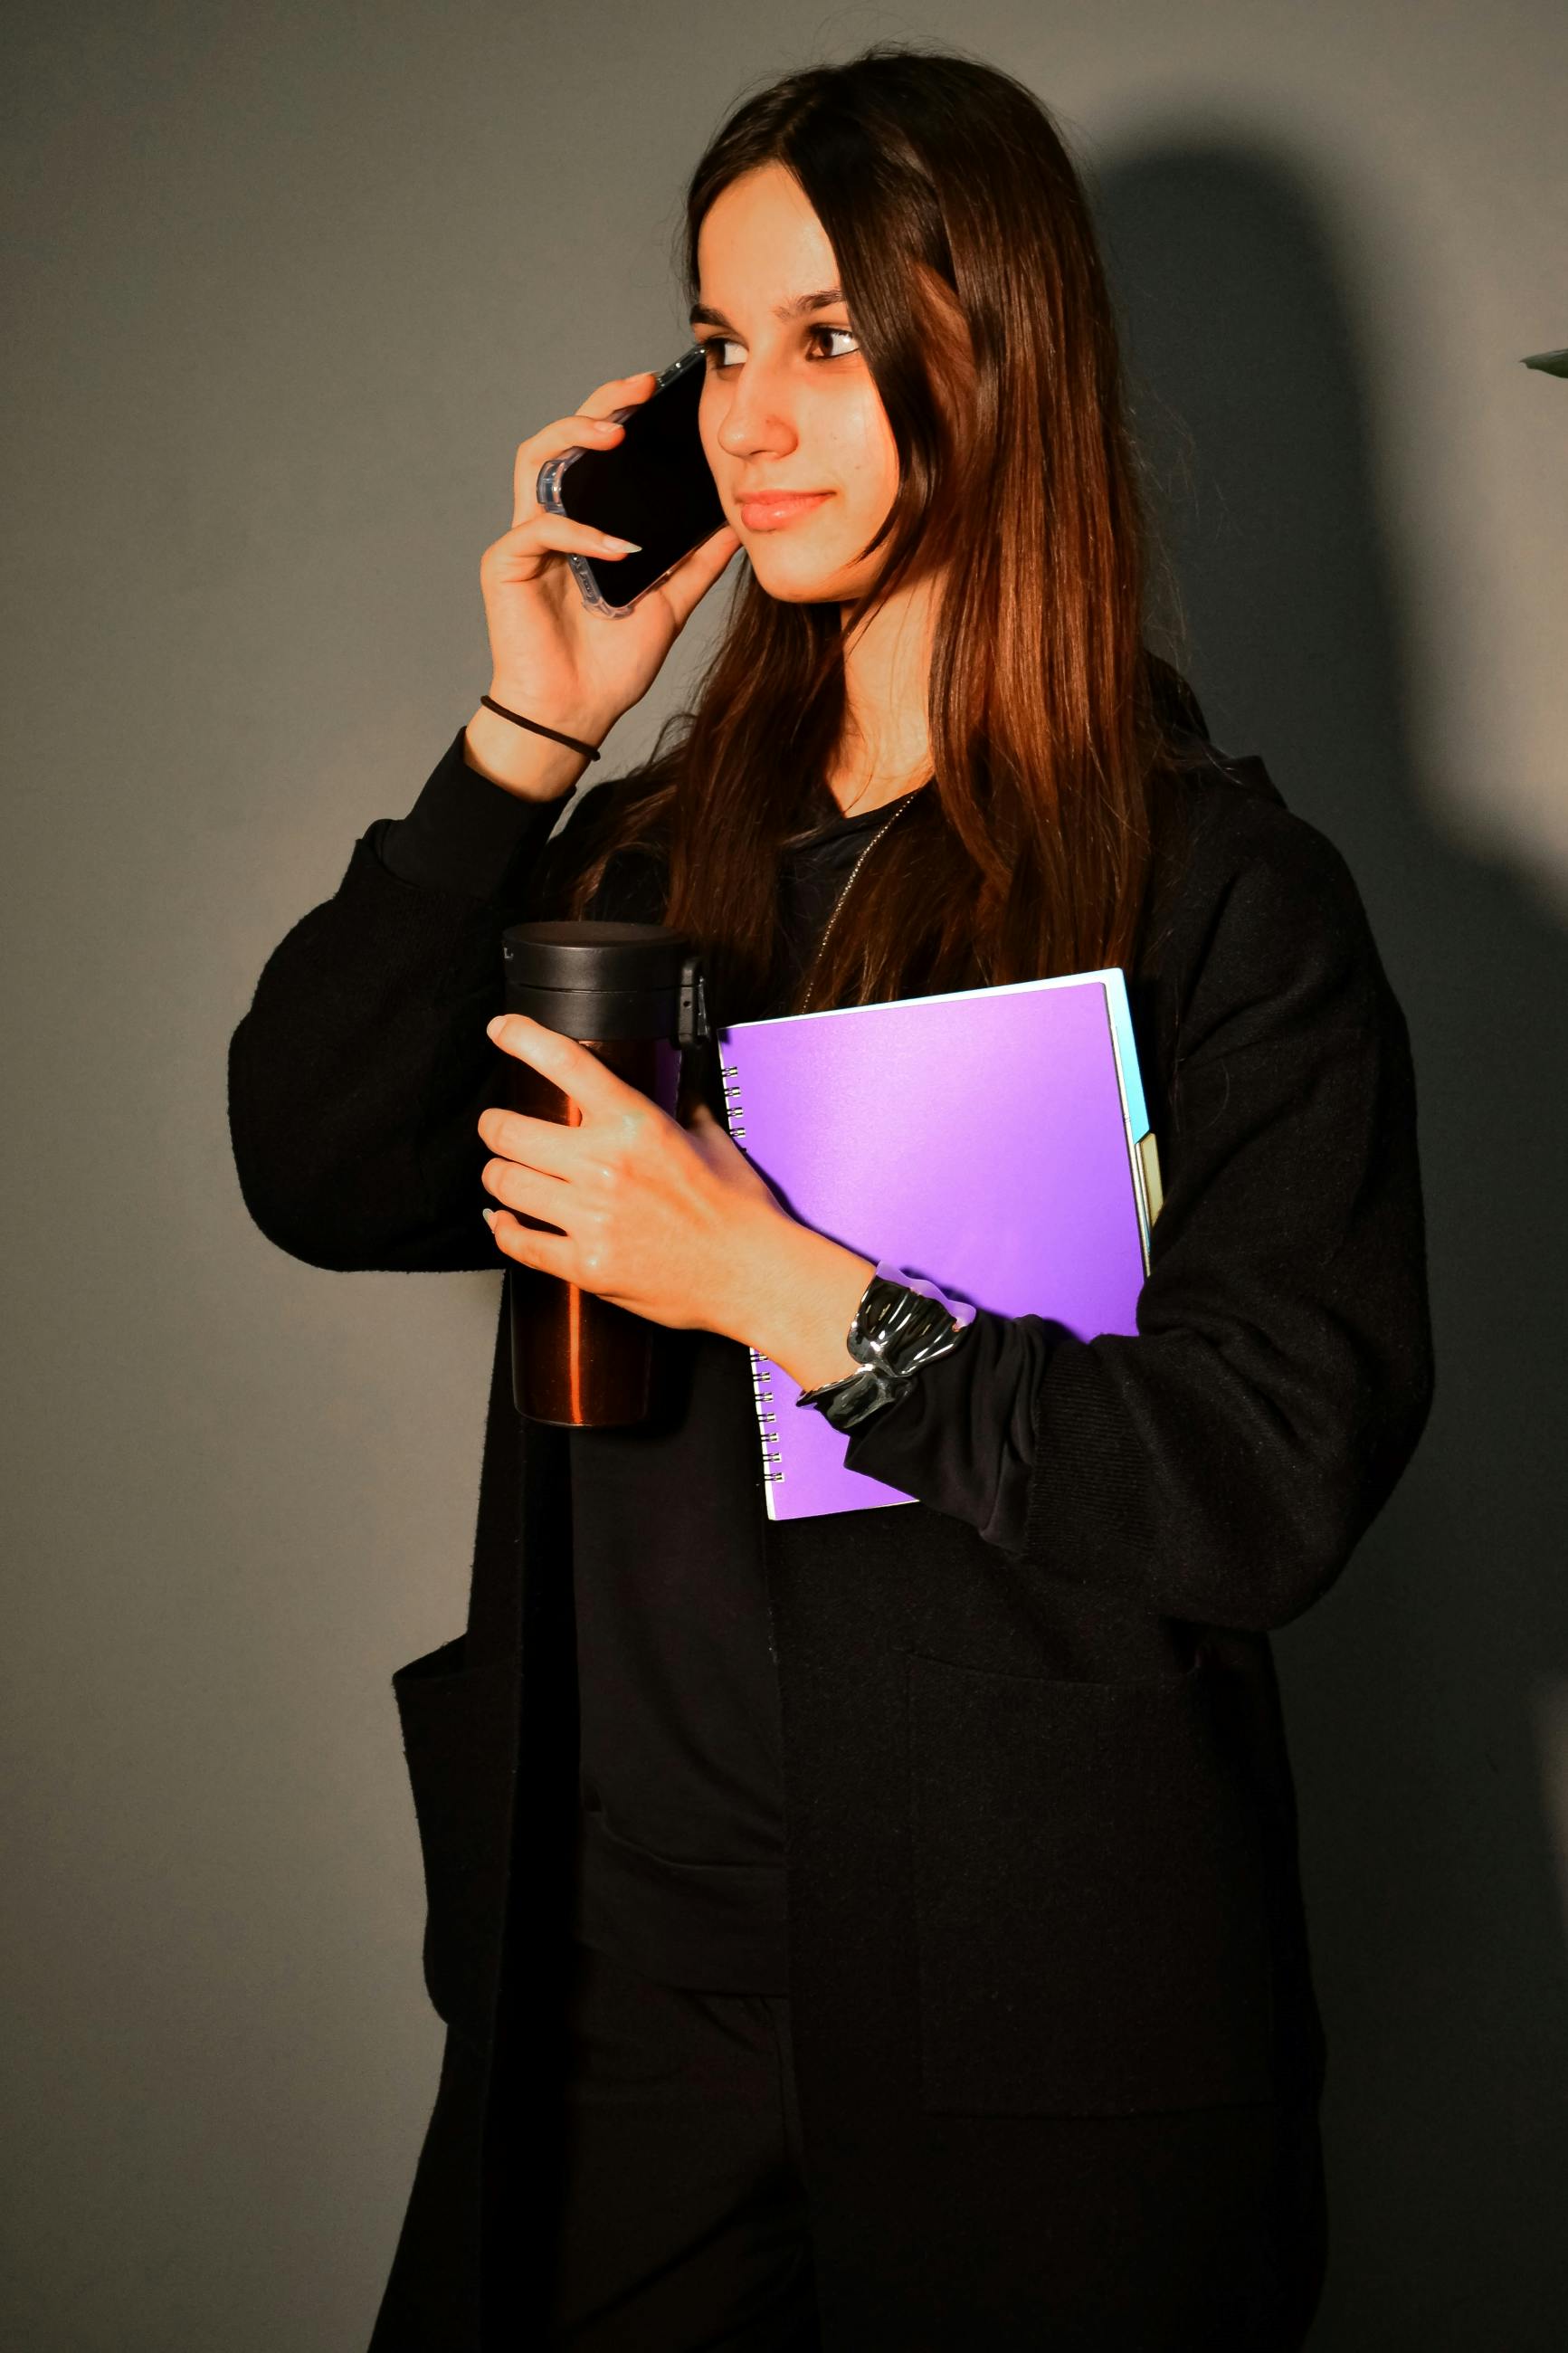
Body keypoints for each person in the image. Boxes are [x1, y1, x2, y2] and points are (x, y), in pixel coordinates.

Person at [227, 44, 1433, 2353]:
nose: (752, 418)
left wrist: (787, 1287)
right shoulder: (641, 865)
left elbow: (1272, 1477)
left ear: (1002, 357)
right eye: (719, 342)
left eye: (833, 342)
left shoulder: (1218, 896)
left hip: (1044, 2029)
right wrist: (525, 742)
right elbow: (321, 1155)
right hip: (621, 2006)